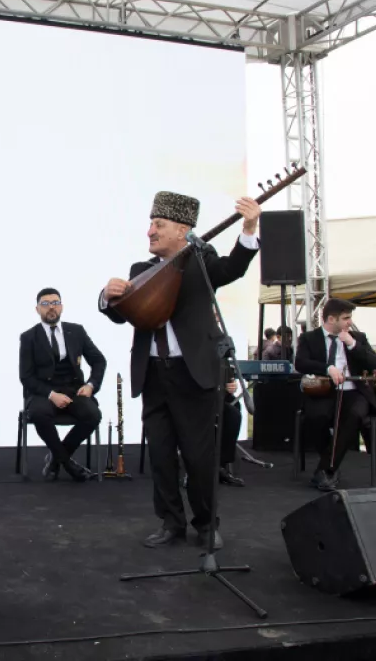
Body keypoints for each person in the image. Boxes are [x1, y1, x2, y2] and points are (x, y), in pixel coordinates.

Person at [100, 191, 260, 551]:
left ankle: (206, 525)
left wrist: (249, 228)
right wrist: (107, 296)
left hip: (193, 374)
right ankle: (171, 523)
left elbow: (233, 268)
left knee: (198, 456)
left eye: (158, 225)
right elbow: (120, 312)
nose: (150, 232)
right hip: (154, 374)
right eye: (151, 224)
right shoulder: (141, 271)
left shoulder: (202, 262)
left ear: (181, 230)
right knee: (160, 454)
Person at [293, 298, 376, 491]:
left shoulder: (358, 338)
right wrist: (327, 368)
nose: (349, 322)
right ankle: (329, 469)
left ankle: (326, 469)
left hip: (354, 391)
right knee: (316, 417)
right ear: (331, 319)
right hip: (323, 390)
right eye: (346, 318)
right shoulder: (310, 338)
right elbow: (300, 363)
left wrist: (352, 345)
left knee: (355, 415)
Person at [19, 288, 105, 483]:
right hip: (43, 392)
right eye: (46, 304)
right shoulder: (28, 337)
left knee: (93, 415)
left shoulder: (77, 331)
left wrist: (91, 385)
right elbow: (26, 377)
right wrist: (51, 395)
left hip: (73, 388)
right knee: (39, 414)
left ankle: (56, 458)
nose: (51, 307)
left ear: (62, 307)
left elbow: (99, 360)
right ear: (37, 309)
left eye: (55, 303)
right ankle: (68, 464)